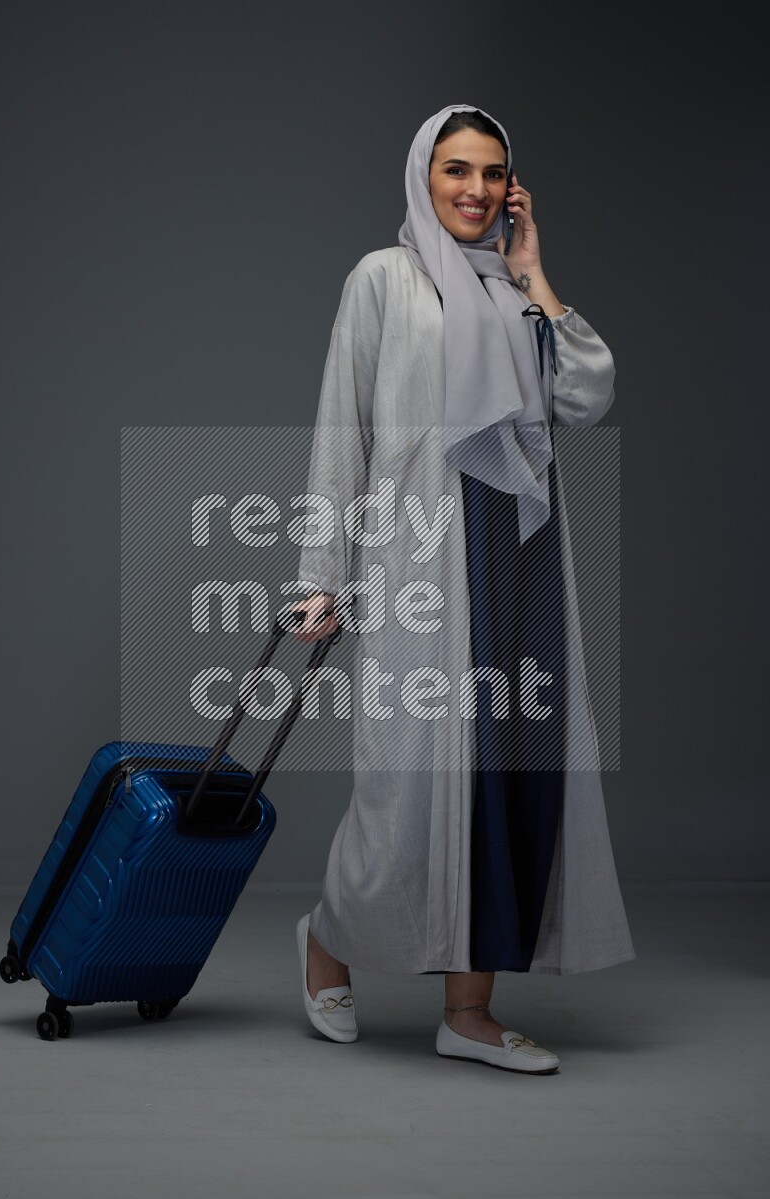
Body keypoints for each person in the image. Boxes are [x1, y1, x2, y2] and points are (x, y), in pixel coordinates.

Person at [289, 103, 635, 1074]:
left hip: (517, 565)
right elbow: (339, 427)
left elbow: (585, 394)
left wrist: (531, 273)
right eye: (455, 170)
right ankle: (326, 938)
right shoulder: (383, 281)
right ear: (421, 175)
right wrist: (320, 575)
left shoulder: (513, 293)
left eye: (492, 173)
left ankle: (468, 1011)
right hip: (422, 563)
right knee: (403, 790)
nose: (475, 190)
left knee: (503, 782)